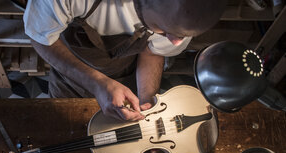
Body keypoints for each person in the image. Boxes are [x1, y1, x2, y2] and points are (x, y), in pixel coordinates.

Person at [24, 0, 227, 121]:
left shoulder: (183, 14)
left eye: (181, 35)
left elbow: (152, 51)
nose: (175, 42)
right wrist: (97, 84)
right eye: (164, 30)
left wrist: (148, 103)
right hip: (70, 79)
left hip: (127, 77)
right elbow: (40, 38)